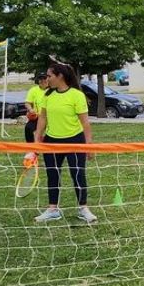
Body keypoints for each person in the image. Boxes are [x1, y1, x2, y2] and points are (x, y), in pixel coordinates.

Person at [33, 62, 97, 224]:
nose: (46, 79)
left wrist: (89, 145)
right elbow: (42, 118)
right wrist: (37, 140)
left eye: (49, 76)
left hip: (75, 140)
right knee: (52, 175)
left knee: (78, 174)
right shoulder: (47, 95)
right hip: (52, 141)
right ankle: (53, 209)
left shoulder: (76, 95)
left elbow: (85, 123)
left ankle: (83, 208)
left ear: (60, 76)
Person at [23, 72, 49, 143]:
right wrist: (31, 110)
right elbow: (27, 103)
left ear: (48, 79)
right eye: (40, 79)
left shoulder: (52, 90)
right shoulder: (33, 90)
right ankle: (31, 148)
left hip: (50, 117)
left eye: (44, 78)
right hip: (37, 116)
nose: (42, 80)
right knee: (28, 128)